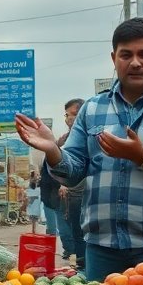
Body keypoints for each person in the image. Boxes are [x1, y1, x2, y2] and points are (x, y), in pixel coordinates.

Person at [16, 18, 143, 281]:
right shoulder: (92, 109)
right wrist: (53, 151)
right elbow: (74, 170)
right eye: (126, 55)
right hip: (101, 247)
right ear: (114, 58)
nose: (135, 62)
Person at [57, 97, 87, 271]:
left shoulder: (90, 136)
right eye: (67, 115)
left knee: (86, 233)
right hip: (71, 196)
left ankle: (84, 265)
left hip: (86, 194)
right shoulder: (63, 139)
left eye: (74, 114)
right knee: (74, 231)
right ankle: (79, 265)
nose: (69, 119)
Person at [36, 133, 68, 254]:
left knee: (60, 225)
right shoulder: (47, 158)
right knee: (53, 226)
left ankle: (65, 250)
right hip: (49, 196)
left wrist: (63, 185)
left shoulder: (60, 155)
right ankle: (52, 250)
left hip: (57, 195)